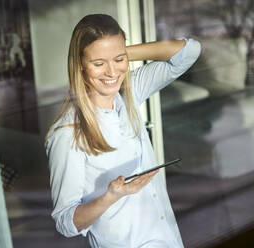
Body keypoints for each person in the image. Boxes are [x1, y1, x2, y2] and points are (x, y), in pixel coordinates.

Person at [45, 14, 201, 247]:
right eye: (98, 64)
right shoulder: (67, 133)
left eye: (119, 60)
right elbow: (66, 222)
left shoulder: (130, 94)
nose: (111, 72)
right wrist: (110, 197)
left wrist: (114, 53)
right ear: (80, 65)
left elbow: (189, 52)